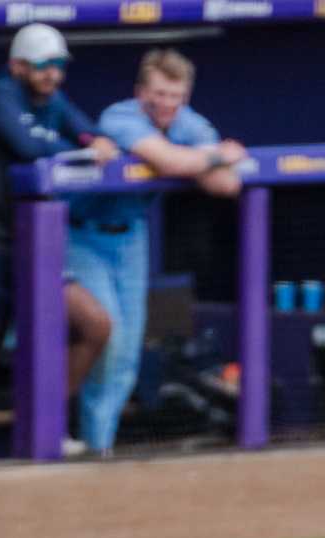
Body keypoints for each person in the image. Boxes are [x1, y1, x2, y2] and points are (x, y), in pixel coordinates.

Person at [0, 23, 118, 462]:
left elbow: (94, 135)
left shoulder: (54, 101)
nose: (52, 74)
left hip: (33, 246)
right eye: (43, 66)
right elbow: (27, 145)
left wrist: (93, 141)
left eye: (58, 65)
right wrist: (78, 146)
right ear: (18, 65)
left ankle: (44, 425)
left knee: (94, 325)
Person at [71, 49, 246, 457]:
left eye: (175, 96)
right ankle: (80, 441)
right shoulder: (119, 117)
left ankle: (100, 446)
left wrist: (202, 162)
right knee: (108, 333)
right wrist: (215, 155)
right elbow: (167, 161)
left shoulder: (189, 124)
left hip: (130, 238)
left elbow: (227, 186)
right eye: (159, 94)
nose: (167, 104)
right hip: (80, 236)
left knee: (128, 348)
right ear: (141, 92)